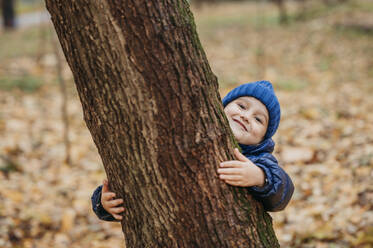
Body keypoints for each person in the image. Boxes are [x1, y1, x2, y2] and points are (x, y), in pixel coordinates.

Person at [91, 80, 294, 221]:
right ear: (220, 108)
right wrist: (104, 203)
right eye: (241, 106)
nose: (246, 116)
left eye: (259, 119)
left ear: (263, 137)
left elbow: (284, 192)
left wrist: (260, 177)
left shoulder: (258, 159)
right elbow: (138, 187)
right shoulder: (193, 136)